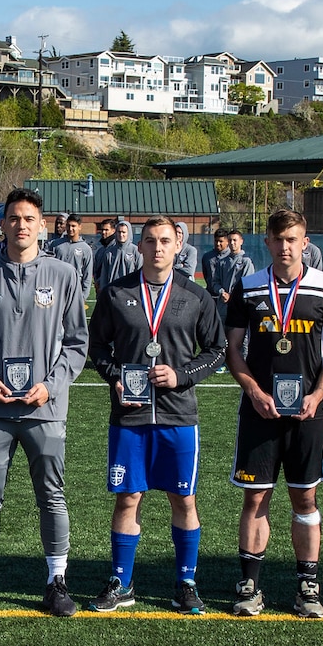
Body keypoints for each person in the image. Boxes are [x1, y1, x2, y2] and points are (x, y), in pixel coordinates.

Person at [0, 188, 89, 617]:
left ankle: (56, 580)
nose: (21, 225)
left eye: (29, 218)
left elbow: (76, 344)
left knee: (52, 495)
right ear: (4, 224)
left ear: (41, 224)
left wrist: (51, 386)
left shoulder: (63, 274)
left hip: (44, 408)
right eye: (13, 218)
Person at [87, 217, 225, 613]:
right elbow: (97, 348)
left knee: (183, 498)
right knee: (128, 497)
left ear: (177, 246)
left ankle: (185, 581)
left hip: (179, 415)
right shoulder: (116, 293)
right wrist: (115, 378)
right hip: (129, 416)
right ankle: (121, 580)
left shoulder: (196, 297)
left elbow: (216, 351)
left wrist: (181, 375)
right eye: (150, 241)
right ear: (140, 247)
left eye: (165, 241)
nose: (158, 248)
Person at [225, 208, 323, 618]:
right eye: (277, 240)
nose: (284, 247)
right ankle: (249, 585)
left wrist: (317, 394)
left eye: (292, 239)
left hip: (308, 413)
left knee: (305, 496)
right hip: (259, 411)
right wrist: (255, 391)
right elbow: (232, 352)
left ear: (305, 241)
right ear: (267, 243)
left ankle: (308, 586)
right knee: (255, 496)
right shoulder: (248, 287)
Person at [205, 228, 254, 325]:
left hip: (239, 307)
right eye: (230, 240)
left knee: (238, 337)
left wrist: (232, 296)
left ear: (241, 241)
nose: (232, 243)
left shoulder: (246, 261)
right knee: (221, 337)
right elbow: (215, 282)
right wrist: (222, 292)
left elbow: (248, 284)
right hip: (223, 307)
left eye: (235, 240)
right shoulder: (222, 262)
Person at [49, 214, 94, 302]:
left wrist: (84, 295)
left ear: (79, 227)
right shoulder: (56, 245)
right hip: (57, 289)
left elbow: (87, 274)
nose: (70, 229)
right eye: (68, 226)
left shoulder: (85, 248)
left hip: (75, 290)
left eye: (73, 226)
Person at [94, 215, 141, 292]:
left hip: (130, 292)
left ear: (128, 233)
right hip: (112, 292)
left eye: (124, 232)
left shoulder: (136, 251)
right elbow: (104, 275)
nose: (121, 235)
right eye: (119, 232)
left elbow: (140, 272)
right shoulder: (109, 251)